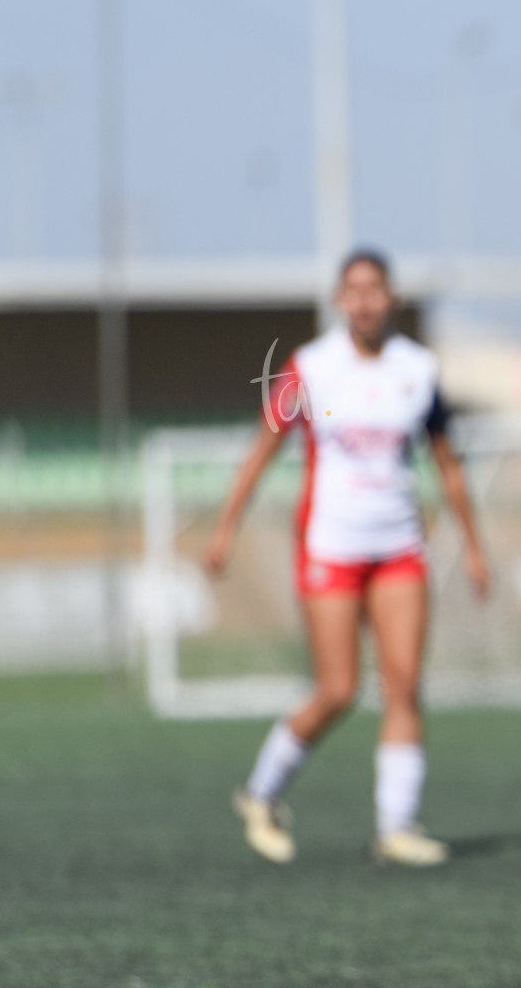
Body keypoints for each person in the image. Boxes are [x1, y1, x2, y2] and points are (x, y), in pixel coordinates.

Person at [205, 250, 490, 867]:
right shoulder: (309, 368)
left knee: (405, 685)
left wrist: (474, 546)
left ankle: (396, 827)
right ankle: (260, 793)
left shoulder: (418, 369)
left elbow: (446, 462)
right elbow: (262, 447)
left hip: (398, 547)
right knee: (338, 689)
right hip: (330, 545)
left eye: (375, 289)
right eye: (353, 290)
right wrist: (225, 528)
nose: (364, 300)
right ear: (340, 300)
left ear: (391, 298)